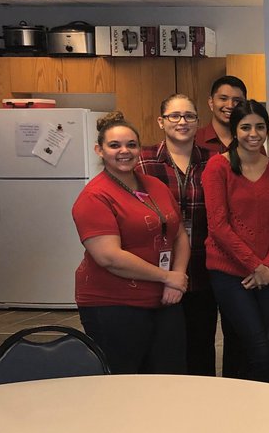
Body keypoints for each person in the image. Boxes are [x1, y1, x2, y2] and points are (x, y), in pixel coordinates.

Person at [72, 111, 188, 374]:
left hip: (164, 299)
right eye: (114, 145)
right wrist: (166, 277)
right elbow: (109, 257)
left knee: (170, 376)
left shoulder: (155, 185)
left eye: (131, 145)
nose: (124, 151)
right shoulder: (94, 196)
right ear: (99, 150)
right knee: (124, 381)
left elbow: (179, 233)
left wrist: (177, 276)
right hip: (113, 304)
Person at [201, 100, 269, 383]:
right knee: (260, 351)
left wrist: (267, 266)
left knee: (245, 347)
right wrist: (255, 265)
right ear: (234, 130)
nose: (254, 133)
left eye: (260, 127)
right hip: (228, 273)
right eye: (245, 127)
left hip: (265, 274)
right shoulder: (218, 167)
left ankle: (237, 405)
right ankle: (264, 407)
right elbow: (218, 226)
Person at [136, 93, 216, 376]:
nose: (182, 122)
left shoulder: (214, 160)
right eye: (174, 116)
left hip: (203, 267)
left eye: (189, 116)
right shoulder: (143, 161)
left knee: (201, 344)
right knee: (164, 346)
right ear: (161, 121)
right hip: (158, 268)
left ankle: (203, 404)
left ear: (197, 121)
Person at [195, 75, 247, 153]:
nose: (230, 106)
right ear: (211, 102)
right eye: (223, 99)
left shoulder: (250, 140)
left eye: (237, 101)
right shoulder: (195, 140)